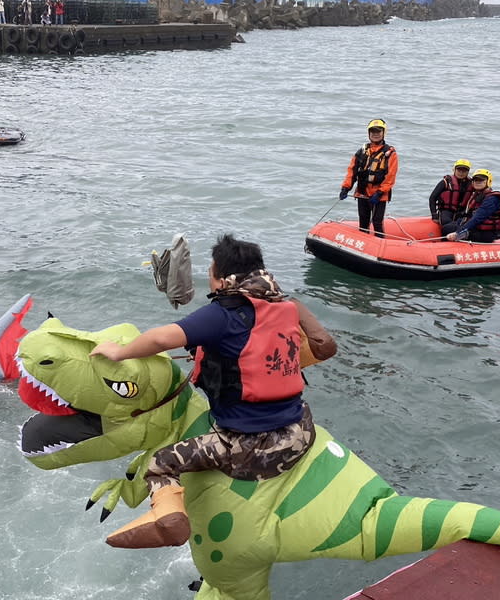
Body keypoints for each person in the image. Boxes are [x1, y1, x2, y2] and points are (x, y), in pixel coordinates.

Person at [89, 234, 337, 549]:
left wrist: (119, 352)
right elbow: (325, 346)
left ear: (221, 279)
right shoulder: (288, 305)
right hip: (301, 430)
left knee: (160, 463)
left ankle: (169, 522)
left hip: (252, 447)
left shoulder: (223, 314)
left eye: (211, 272)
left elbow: (163, 338)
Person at [339, 119, 399, 238]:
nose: (375, 134)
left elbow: (390, 177)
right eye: (372, 131)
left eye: (378, 131)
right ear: (368, 133)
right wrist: (345, 188)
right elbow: (352, 171)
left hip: (379, 195)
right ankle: (362, 247)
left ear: (383, 132)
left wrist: (379, 193)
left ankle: (380, 248)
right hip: (362, 192)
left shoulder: (390, 154)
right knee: (363, 222)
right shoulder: (362, 152)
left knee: (377, 222)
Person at [444, 169, 500, 243]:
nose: (477, 182)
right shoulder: (478, 195)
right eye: (475, 180)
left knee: (450, 231)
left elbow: (478, 218)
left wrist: (459, 232)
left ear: (488, 181)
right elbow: (469, 215)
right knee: (447, 228)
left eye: (481, 180)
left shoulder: (492, 199)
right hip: (476, 228)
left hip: (487, 233)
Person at [428, 159, 473, 228]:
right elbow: (432, 198)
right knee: (448, 224)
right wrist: (434, 215)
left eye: (464, 171)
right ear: (454, 169)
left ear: (468, 172)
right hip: (446, 211)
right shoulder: (446, 182)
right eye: (459, 170)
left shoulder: (472, 184)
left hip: (462, 212)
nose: (461, 173)